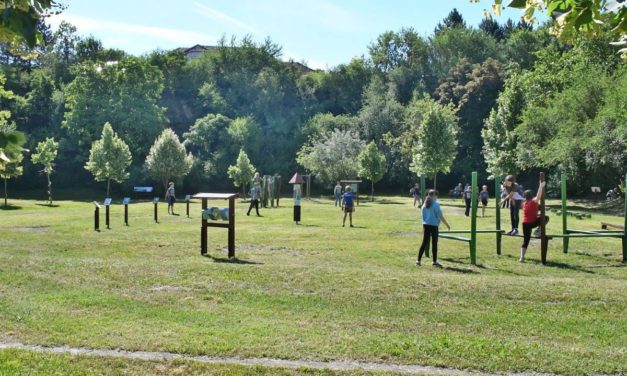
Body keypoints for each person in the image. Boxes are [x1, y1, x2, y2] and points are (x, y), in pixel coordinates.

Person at [416, 190, 451, 267]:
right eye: (436, 195)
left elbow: (422, 216)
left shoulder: (424, 205)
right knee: (434, 243)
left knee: (424, 242)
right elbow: (440, 216)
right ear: (432, 196)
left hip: (426, 225)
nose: (437, 197)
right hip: (434, 226)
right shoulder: (436, 204)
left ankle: (418, 261)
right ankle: (434, 262)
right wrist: (447, 224)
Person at [519, 183, 549, 262]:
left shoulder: (524, 203)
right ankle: (539, 230)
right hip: (531, 222)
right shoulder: (533, 201)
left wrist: (538, 212)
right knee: (545, 218)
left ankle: (522, 257)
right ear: (531, 196)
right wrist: (541, 186)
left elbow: (531, 211)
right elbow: (538, 196)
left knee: (526, 240)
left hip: (524, 223)